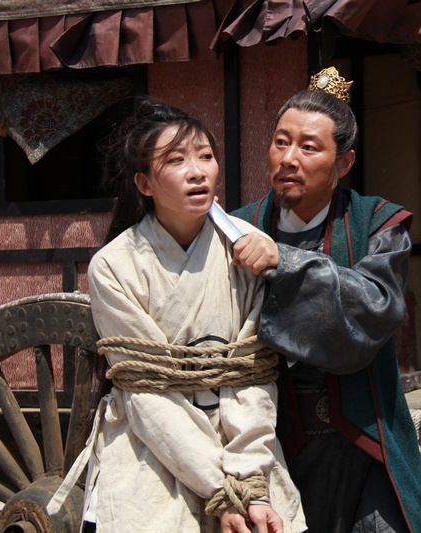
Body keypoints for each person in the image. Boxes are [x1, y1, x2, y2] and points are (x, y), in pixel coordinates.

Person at [49, 97, 306, 533]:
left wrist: (248, 483)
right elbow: (147, 393)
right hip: (150, 443)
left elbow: (252, 377)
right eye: (176, 160)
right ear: (144, 183)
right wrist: (218, 490)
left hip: (242, 448)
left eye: (205, 156)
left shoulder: (247, 250)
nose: (197, 171)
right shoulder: (114, 267)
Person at [232, 68, 421, 533]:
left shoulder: (377, 224)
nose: (289, 158)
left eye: (309, 147)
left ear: (344, 163)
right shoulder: (237, 229)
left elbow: (375, 309)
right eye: (281, 142)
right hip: (271, 444)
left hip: (364, 441)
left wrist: (283, 261)